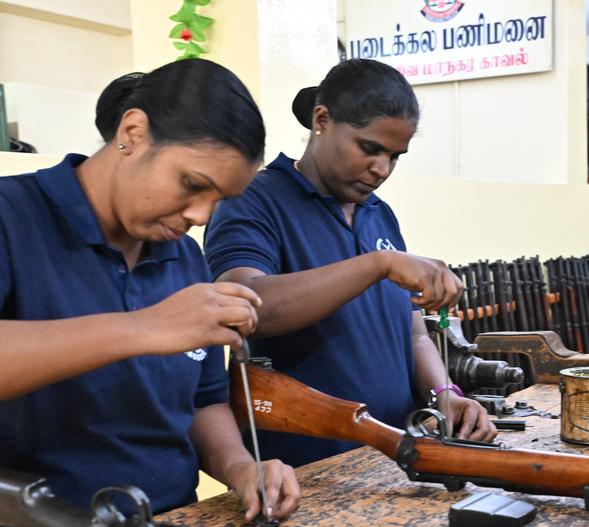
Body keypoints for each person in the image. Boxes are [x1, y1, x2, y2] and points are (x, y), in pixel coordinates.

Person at [0, 59, 300, 527]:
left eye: (218, 200)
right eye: (192, 185)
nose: (200, 215)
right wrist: (140, 328)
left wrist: (241, 467)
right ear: (133, 133)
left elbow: (202, 404)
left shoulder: (183, 258)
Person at [205, 58, 495, 469]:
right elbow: (247, 307)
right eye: (370, 148)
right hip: (302, 470)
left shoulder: (379, 214)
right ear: (322, 119)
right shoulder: (254, 200)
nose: (382, 169)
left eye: (395, 156)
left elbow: (412, 334)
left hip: (394, 456)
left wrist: (444, 395)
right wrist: (376, 264)